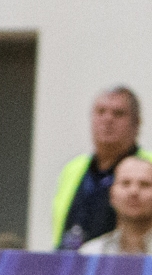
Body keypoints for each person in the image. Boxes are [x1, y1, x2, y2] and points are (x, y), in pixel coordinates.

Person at [53, 87, 152, 250]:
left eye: (118, 114)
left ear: (137, 123)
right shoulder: (73, 169)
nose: (108, 120)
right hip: (75, 260)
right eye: (101, 112)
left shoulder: (147, 166)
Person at [79, 156, 152, 255]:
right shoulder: (91, 253)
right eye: (125, 183)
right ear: (112, 194)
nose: (133, 192)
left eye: (145, 184)